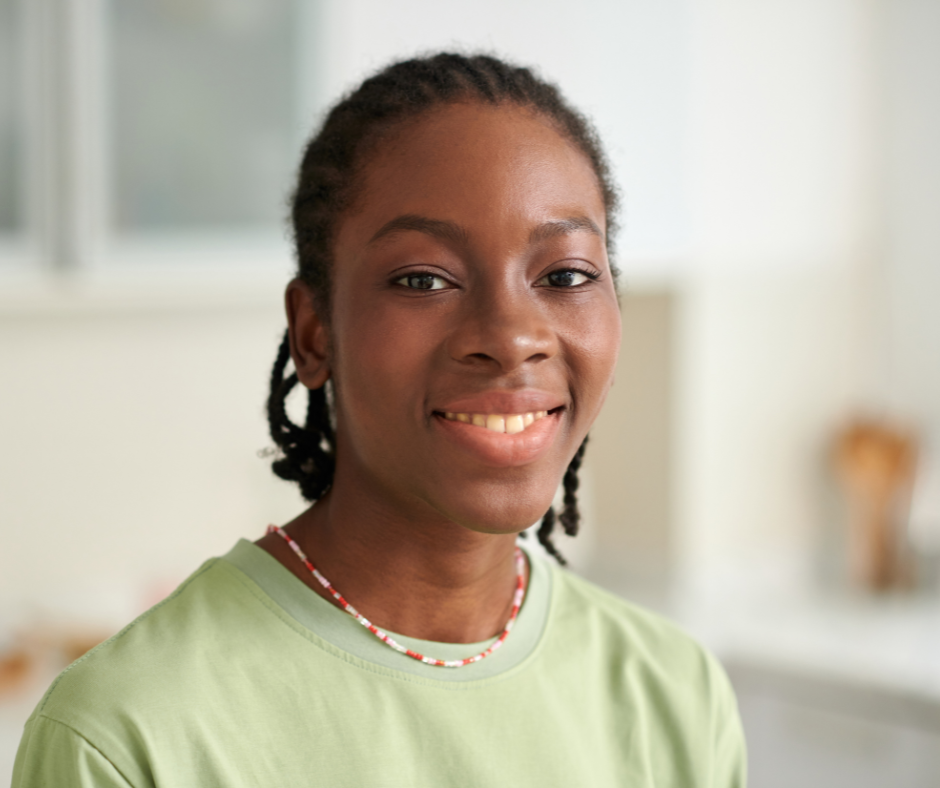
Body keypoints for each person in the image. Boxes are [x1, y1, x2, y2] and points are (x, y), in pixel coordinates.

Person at [12, 53, 746, 787]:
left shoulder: (676, 698)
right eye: (423, 279)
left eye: (565, 276)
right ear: (314, 334)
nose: (512, 334)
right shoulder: (125, 736)